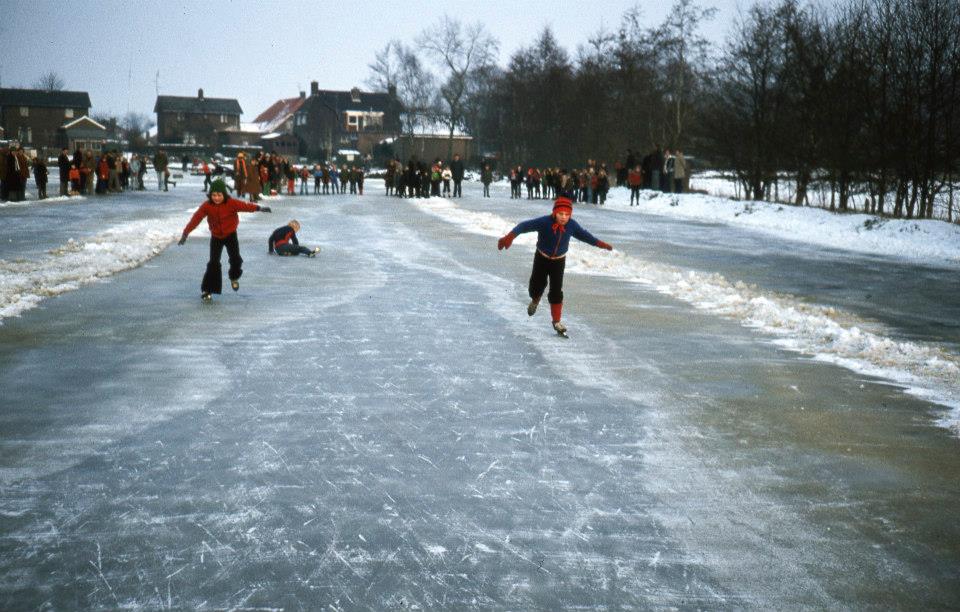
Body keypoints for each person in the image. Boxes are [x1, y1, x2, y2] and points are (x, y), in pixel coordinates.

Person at [496, 197, 613, 336]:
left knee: (556, 290)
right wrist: (509, 237)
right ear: (554, 213)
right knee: (536, 285)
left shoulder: (572, 225)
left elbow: (585, 236)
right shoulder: (544, 222)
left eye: (567, 215)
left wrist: (601, 244)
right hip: (542, 258)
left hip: (559, 261)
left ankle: (556, 321)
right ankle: (535, 299)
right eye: (560, 214)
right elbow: (523, 226)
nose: (564, 217)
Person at [177, 178, 272, 301]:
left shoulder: (231, 203)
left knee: (235, 259)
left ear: (224, 194)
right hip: (216, 236)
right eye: (214, 195)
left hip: (230, 235)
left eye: (219, 195)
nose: (216, 198)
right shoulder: (207, 206)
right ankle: (208, 290)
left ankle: (233, 277)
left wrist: (259, 208)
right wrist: (185, 233)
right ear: (210, 195)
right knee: (213, 263)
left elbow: (245, 206)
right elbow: (196, 219)